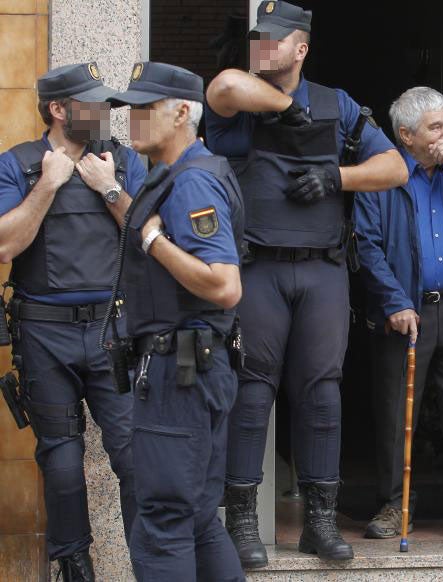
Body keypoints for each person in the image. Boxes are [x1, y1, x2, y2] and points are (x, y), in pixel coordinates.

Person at [205, 0, 408, 566]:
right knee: (251, 394)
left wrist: (334, 176)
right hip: (259, 267)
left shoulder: (337, 105)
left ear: (302, 47)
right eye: (257, 38)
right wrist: (285, 108)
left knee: (322, 395)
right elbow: (222, 86)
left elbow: (395, 168)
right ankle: (242, 523)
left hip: (321, 270)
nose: (262, 48)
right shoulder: (240, 100)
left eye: (275, 39)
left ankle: (320, 521)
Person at [0, 62, 145, 581]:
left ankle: (150, 563)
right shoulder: (19, 165)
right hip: (44, 334)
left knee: (133, 457)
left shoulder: (124, 163)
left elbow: (150, 240)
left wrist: (109, 189)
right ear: (59, 110)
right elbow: (4, 245)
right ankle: (75, 565)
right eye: (94, 103)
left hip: (113, 331)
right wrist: (49, 185)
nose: (106, 112)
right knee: (61, 463)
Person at [108, 61, 246, 581]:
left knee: (162, 523)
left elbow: (224, 283)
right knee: (194, 520)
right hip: (191, 367)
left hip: (179, 373)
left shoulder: (192, 183)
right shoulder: (186, 175)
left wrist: (151, 240)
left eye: (145, 110)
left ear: (184, 112)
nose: (133, 121)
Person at [354, 87, 443, 543]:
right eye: (436, 127)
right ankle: (396, 504)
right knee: (399, 413)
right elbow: (366, 246)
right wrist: (394, 301)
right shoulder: (382, 175)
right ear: (406, 135)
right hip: (406, 311)